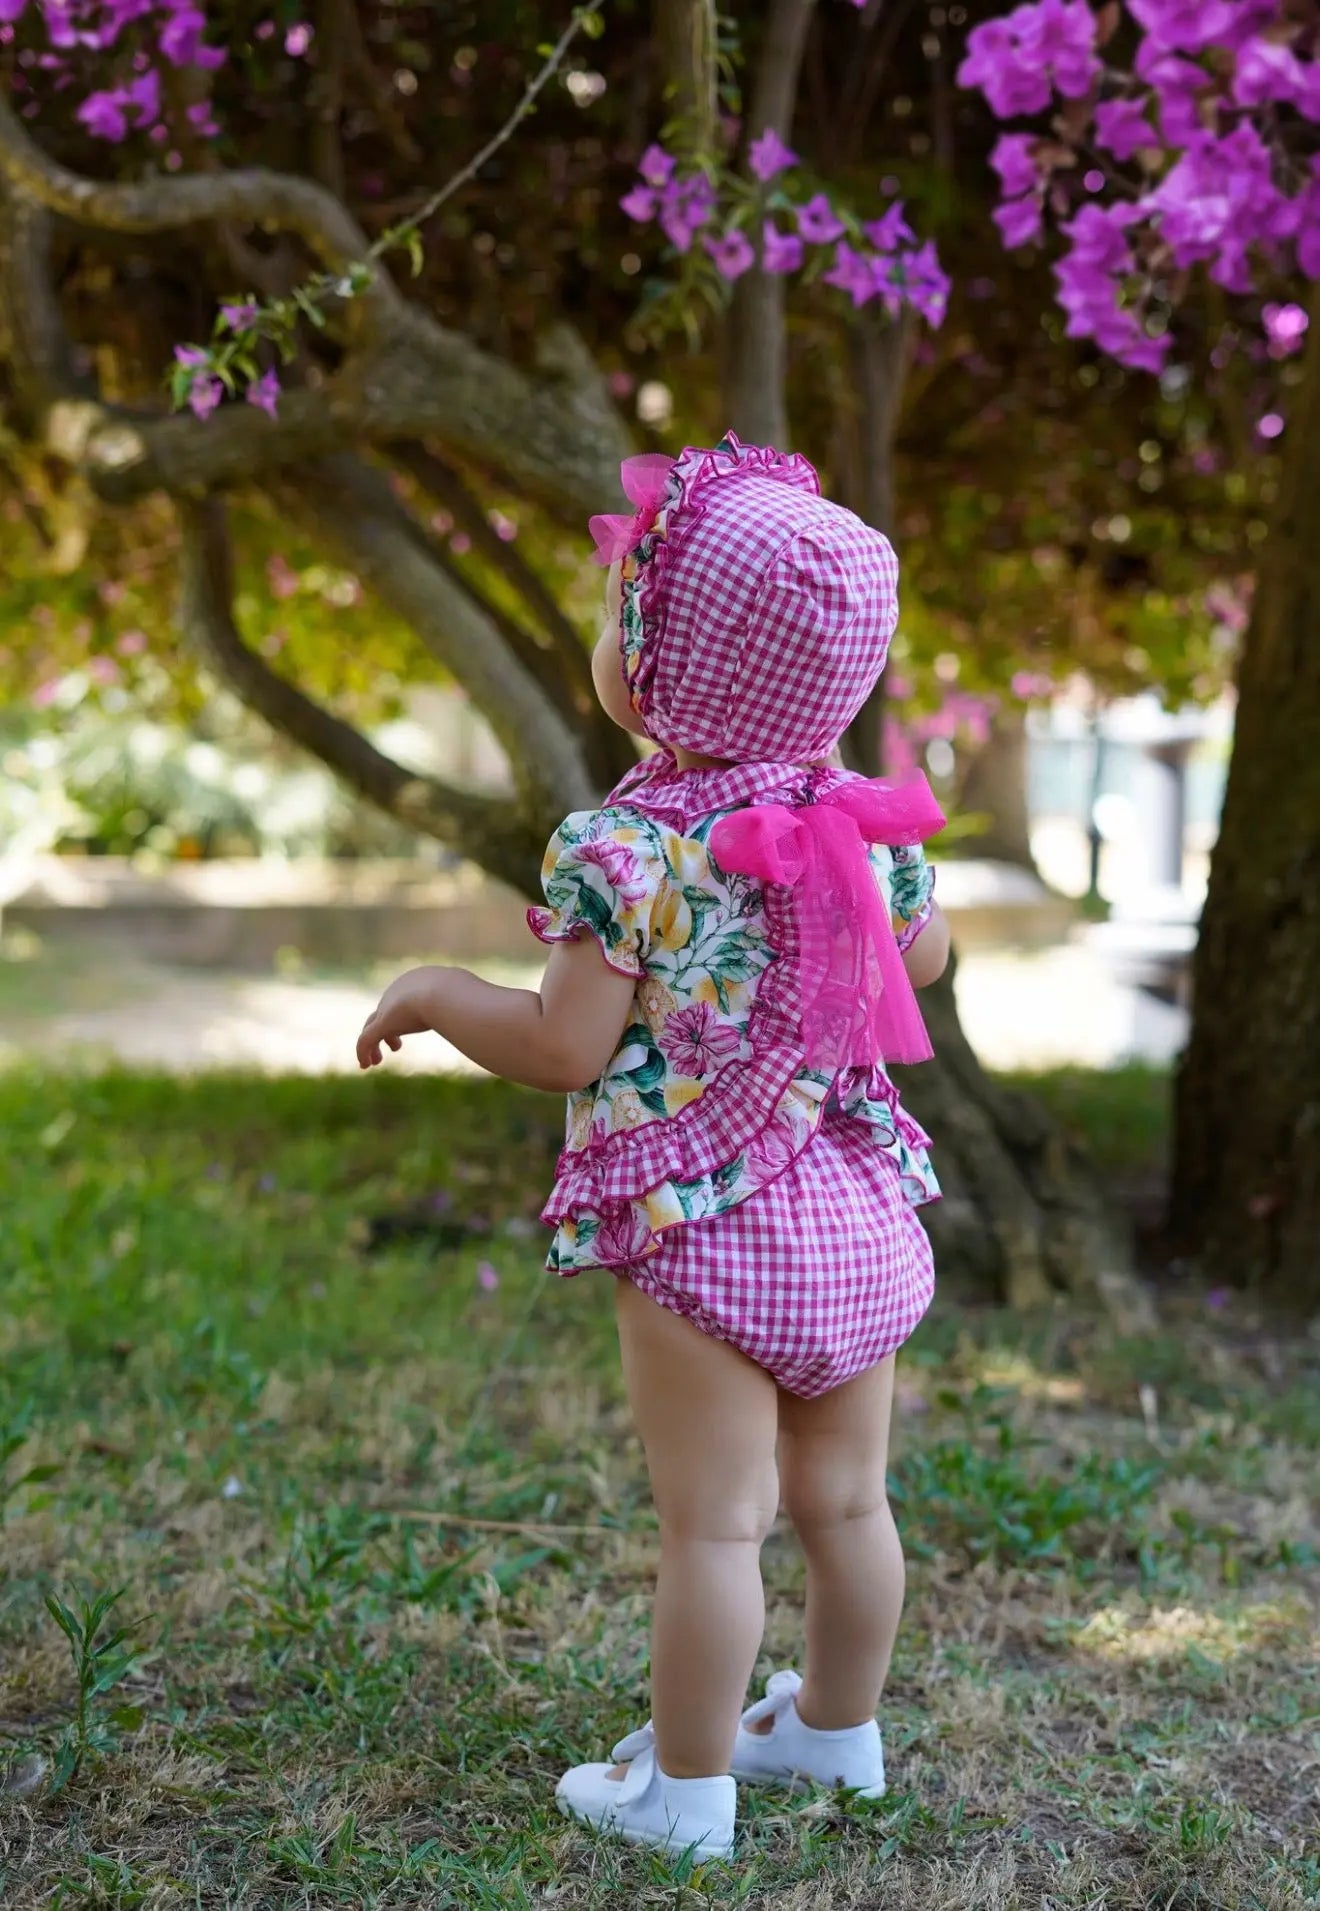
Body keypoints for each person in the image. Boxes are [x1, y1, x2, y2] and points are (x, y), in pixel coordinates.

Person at [357, 434, 950, 1864]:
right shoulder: (864, 820)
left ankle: (685, 1796)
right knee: (848, 1503)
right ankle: (836, 1732)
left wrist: (440, 992)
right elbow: (924, 964)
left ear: (671, 661)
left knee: (715, 1529)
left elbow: (563, 1044)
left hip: (704, 1225)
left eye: (625, 614)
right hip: (857, 1214)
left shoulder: (632, 847)